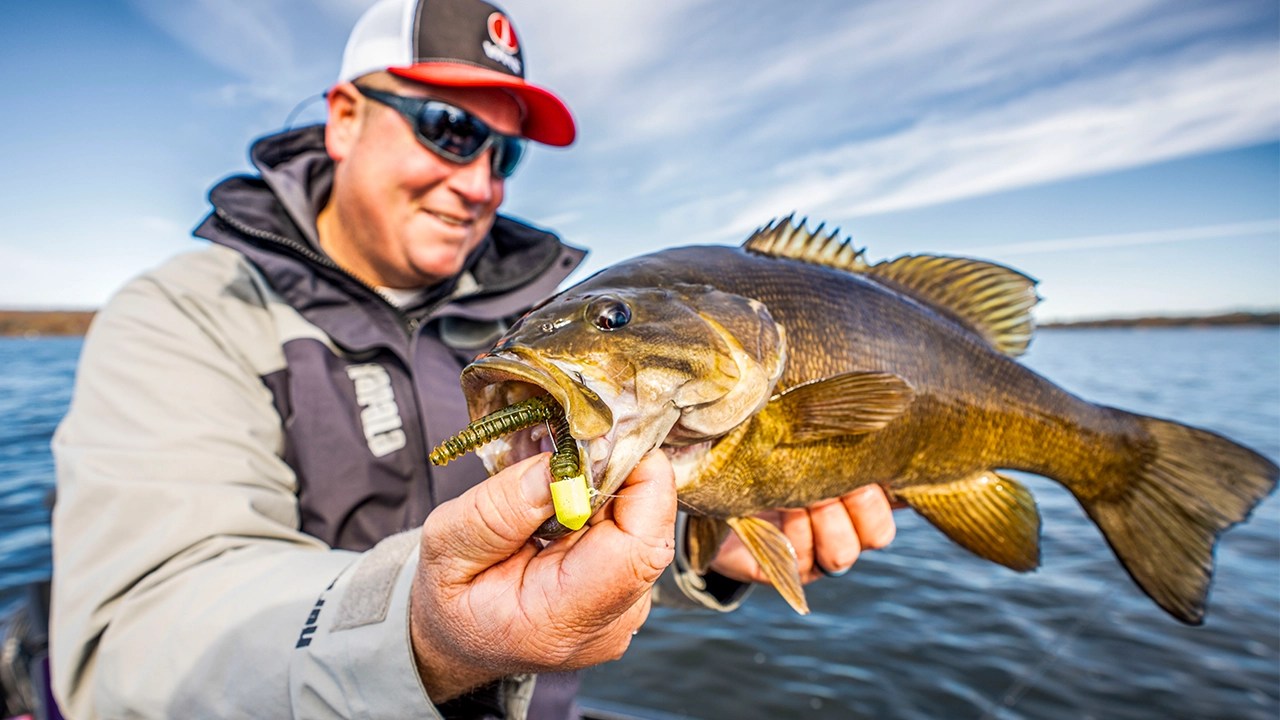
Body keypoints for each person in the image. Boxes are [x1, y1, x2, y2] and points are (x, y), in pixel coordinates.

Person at [48, 0, 898, 718]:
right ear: (344, 119)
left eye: (506, 153)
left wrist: (693, 555)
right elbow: (137, 634)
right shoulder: (188, 314)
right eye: (452, 130)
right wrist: (418, 635)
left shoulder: (531, 323)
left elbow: (575, 534)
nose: (481, 184)